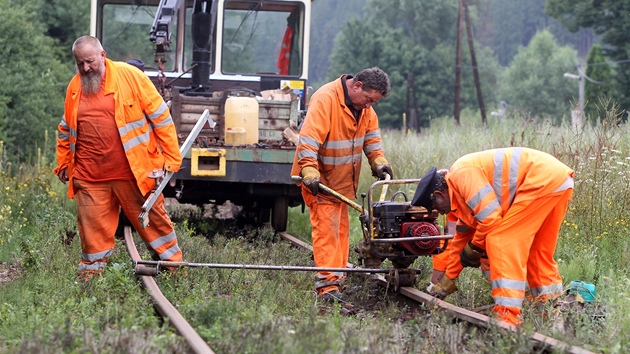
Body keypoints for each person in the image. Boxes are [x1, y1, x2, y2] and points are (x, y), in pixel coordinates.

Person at [54, 36, 183, 281]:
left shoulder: (130, 77)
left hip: (133, 174)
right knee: (92, 233)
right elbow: (65, 127)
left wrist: (171, 160)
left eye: (90, 61)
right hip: (90, 177)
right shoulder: (75, 86)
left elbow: (161, 119)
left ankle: (174, 268)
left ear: (102, 55)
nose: (85, 68)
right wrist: (63, 162)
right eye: (80, 63)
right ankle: (91, 279)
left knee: (153, 222)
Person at [411, 147, 574, 325]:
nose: (439, 212)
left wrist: (475, 247)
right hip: (557, 180)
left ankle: (507, 318)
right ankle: (551, 317)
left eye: (435, 207)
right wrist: (446, 282)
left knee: (501, 240)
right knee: (537, 253)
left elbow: (490, 220)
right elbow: (459, 244)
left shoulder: (461, 174)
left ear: (438, 195)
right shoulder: (462, 201)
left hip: (540, 180)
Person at [291, 67, 393, 302]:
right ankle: (327, 288)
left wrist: (379, 162)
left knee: (340, 233)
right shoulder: (326, 99)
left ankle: (338, 282)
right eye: (368, 99)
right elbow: (308, 139)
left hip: (343, 185)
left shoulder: (365, 110)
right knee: (327, 232)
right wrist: (308, 169)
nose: (369, 106)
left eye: (373, 102)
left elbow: (372, 139)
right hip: (320, 181)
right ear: (357, 86)